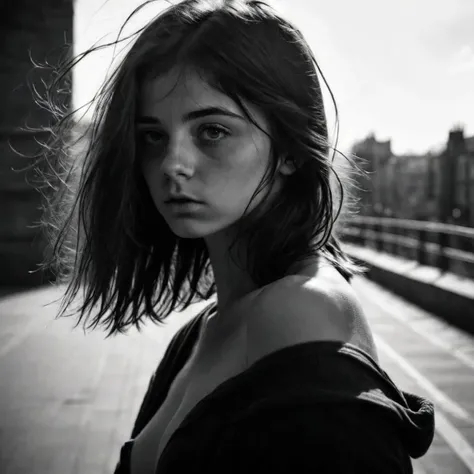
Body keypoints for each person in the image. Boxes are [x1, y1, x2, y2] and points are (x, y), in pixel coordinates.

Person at [38, 0, 435, 472]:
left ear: (289, 148)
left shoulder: (303, 313)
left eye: (211, 131)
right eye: (153, 136)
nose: (172, 164)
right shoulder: (208, 324)